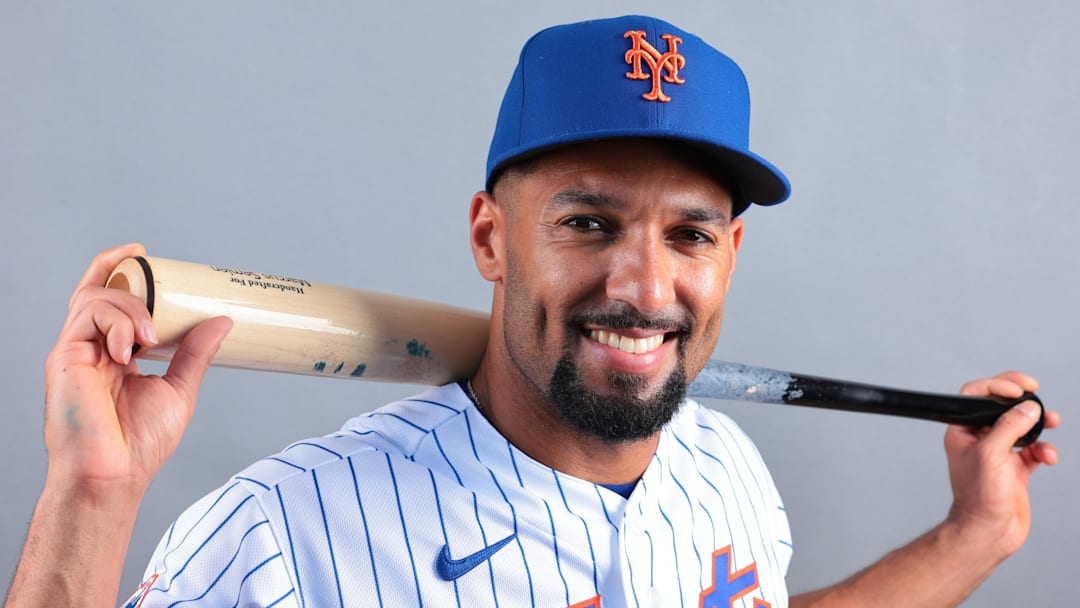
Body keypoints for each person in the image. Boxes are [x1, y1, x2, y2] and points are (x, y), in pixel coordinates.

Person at [5, 14, 1059, 608]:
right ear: (488, 238)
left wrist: (976, 532)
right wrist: (92, 497)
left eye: (687, 234)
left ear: (730, 254)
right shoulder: (284, 535)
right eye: (589, 223)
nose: (646, 290)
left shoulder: (724, 464)